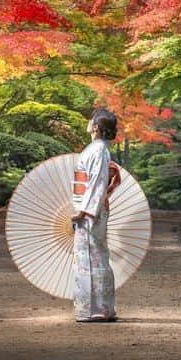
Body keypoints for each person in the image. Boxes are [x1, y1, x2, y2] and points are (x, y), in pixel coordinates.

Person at [71, 107, 121, 323]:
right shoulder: (96, 149)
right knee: (90, 256)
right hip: (90, 208)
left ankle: (98, 309)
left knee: (93, 256)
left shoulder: (98, 150)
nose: (88, 122)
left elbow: (97, 183)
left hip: (91, 211)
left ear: (97, 127)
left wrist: (84, 210)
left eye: (91, 120)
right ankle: (96, 307)